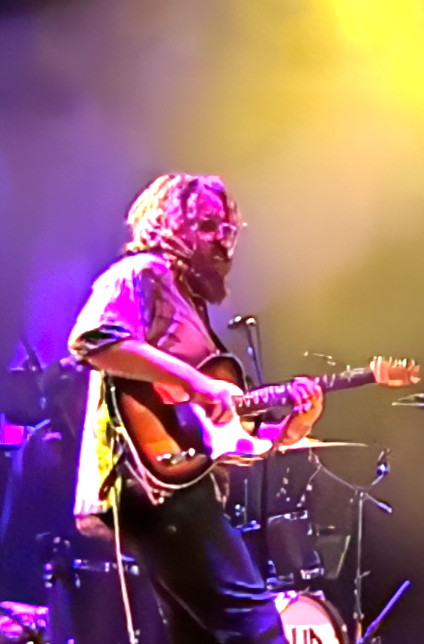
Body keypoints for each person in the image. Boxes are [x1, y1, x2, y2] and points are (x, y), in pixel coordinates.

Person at [67, 173, 329, 644]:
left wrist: (293, 427)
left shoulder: (190, 305)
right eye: (207, 225)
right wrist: (196, 382)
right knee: (258, 630)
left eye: (227, 229)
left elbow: (227, 442)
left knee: (200, 637)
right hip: (155, 487)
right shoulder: (141, 273)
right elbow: (92, 339)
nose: (221, 240)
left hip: (182, 487)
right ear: (167, 224)